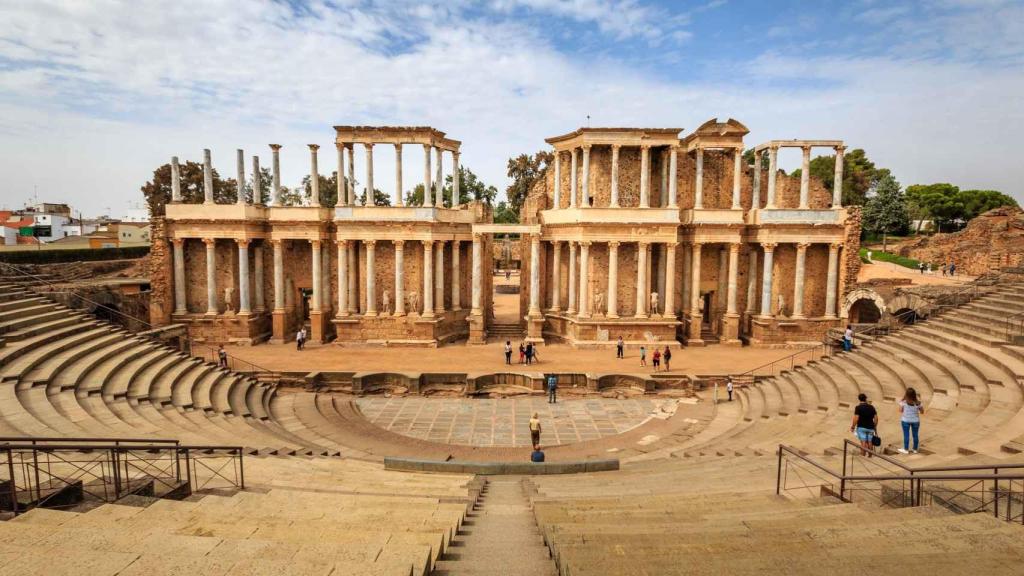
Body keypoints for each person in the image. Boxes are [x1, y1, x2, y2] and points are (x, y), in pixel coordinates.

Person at [898, 387, 924, 454]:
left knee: (906, 435)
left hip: (905, 420)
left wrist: (903, 400)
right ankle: (915, 449)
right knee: (915, 435)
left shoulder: (903, 402)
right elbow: (922, 412)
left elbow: (900, 410)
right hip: (915, 421)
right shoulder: (918, 403)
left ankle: (906, 449)